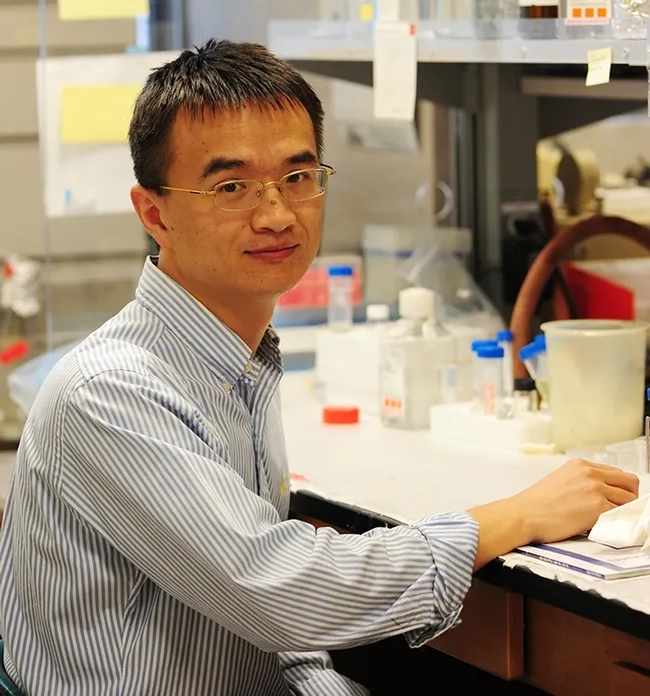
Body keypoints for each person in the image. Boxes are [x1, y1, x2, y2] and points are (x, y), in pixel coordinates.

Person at [0, 39, 639, 696]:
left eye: (298, 178)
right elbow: (280, 590)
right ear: (154, 213)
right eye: (232, 187)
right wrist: (518, 515)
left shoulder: (236, 359)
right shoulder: (113, 393)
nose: (277, 215)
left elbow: (268, 630)